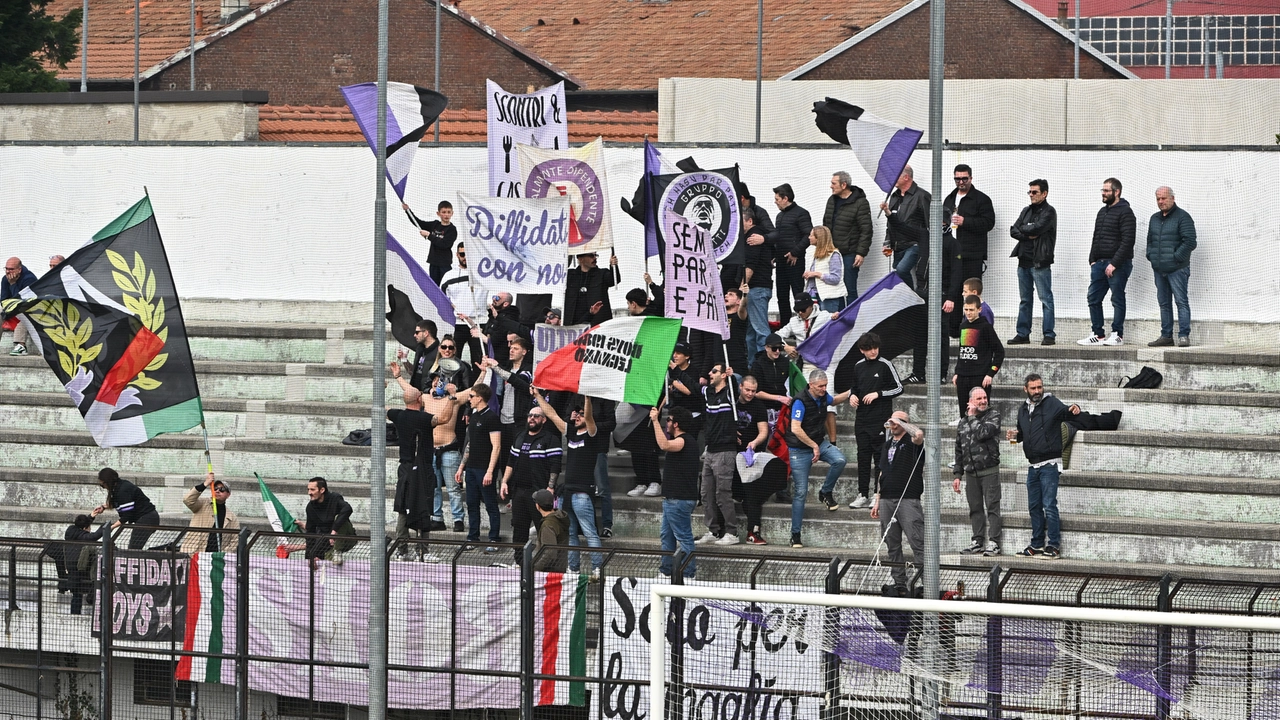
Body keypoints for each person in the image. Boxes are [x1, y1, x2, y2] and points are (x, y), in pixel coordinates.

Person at [1006, 374, 1080, 559]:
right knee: (1034, 506)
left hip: (1050, 464)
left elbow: (1066, 411)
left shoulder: (1052, 402)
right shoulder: (1023, 409)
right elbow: (1022, 434)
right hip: (1033, 465)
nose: (1038, 391)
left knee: (1049, 504)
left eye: (1039, 387)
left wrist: (1075, 408)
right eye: (1033, 388)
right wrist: (1014, 436)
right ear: (1026, 389)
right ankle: (1037, 544)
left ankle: (1053, 546)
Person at [536, 391, 606, 581]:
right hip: (567, 493)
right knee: (571, 533)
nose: (576, 416)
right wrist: (538, 396)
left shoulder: (592, 433)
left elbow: (589, 417)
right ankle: (573, 569)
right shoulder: (571, 432)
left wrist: (587, 398)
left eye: (580, 414)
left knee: (590, 533)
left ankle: (598, 569)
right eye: (576, 414)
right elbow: (551, 414)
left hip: (582, 493)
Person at [784, 370, 852, 547]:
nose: (824, 389)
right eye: (821, 386)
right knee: (801, 492)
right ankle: (795, 534)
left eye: (825, 385)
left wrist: (852, 391)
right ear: (811, 385)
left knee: (840, 460)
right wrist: (814, 446)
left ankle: (825, 492)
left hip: (817, 442)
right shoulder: (799, 401)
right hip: (799, 449)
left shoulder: (822, 396)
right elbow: (796, 428)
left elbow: (834, 400)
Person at [846, 332, 904, 510]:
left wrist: (878, 394)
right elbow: (854, 388)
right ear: (862, 350)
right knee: (862, 457)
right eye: (869, 349)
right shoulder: (858, 366)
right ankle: (862, 494)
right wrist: (852, 396)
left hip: (880, 419)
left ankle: (877, 494)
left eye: (875, 348)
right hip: (862, 419)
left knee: (880, 458)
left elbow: (899, 388)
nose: (873, 352)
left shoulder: (885, 365)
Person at [870, 411, 926, 593]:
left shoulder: (912, 443)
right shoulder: (886, 445)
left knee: (917, 541)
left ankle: (926, 580)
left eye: (896, 422)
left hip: (908, 498)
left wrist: (902, 422)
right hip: (887, 498)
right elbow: (881, 473)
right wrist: (878, 499)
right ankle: (899, 581)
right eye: (891, 421)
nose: (892, 424)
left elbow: (918, 435)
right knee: (891, 542)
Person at [1077, 177, 1136, 347]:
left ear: (1116, 192)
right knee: (1093, 297)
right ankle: (1098, 334)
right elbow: (1096, 237)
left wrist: (1114, 263)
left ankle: (1117, 334)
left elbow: (1128, 241)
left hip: (1118, 264)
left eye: (1106, 191)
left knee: (1117, 298)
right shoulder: (1102, 212)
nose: (1103, 194)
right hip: (1099, 263)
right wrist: (1092, 260)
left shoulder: (1126, 212)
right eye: (1102, 190)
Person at [501, 403, 561, 565]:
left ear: (543, 420)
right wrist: (504, 481)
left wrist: (550, 487)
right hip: (519, 492)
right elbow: (511, 462)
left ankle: (544, 564)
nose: (532, 418)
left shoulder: (551, 439)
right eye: (530, 415)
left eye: (536, 416)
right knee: (519, 530)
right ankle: (519, 562)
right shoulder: (520, 436)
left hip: (539, 492)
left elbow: (555, 465)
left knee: (544, 529)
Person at [952, 387, 1002, 556]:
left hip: (989, 471)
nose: (983, 401)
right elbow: (959, 450)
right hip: (970, 474)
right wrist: (957, 475)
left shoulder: (993, 416)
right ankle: (977, 541)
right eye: (979, 398)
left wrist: (972, 416)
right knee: (975, 508)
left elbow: (983, 433)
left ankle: (994, 542)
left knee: (992, 507)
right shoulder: (963, 422)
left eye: (984, 397)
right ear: (971, 401)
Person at [1146, 186, 1197, 347]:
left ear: (1172, 198)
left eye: (1164, 198)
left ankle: (1183, 335)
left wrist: (1175, 259)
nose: (1161, 202)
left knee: (1181, 301)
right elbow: (1150, 241)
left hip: (1177, 269)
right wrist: (1152, 257)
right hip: (1159, 269)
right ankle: (1166, 336)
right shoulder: (1154, 218)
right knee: (1164, 303)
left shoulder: (1183, 217)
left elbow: (1190, 242)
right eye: (1158, 199)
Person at [696, 362, 741, 546]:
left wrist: (733, 377)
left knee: (723, 493)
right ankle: (713, 531)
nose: (710, 373)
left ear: (723, 375)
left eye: (714, 371)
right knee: (706, 493)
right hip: (710, 450)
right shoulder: (708, 393)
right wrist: (674, 370)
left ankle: (732, 532)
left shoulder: (729, 391)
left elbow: (736, 391)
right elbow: (692, 388)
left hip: (725, 450)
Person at [1008, 179, 1058, 346]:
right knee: (1025, 300)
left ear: (1044, 193)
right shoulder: (1026, 210)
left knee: (1046, 299)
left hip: (1040, 262)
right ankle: (1023, 333)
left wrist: (1026, 228)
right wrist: (1027, 231)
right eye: (1029, 192)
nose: (1031, 195)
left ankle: (1049, 334)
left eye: (1034, 192)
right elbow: (1013, 230)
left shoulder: (1049, 212)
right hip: (1023, 261)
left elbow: (1038, 228)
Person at [455, 383, 504, 546]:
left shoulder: (492, 418)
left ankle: (494, 538)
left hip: (484, 468)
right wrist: (462, 467)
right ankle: (472, 536)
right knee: (471, 503)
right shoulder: (474, 416)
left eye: (471, 396)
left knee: (490, 503)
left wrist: (490, 471)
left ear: (480, 398)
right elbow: (469, 444)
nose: (469, 399)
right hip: (471, 468)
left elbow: (496, 446)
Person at [653, 406, 698, 579]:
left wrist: (655, 420)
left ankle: (688, 574)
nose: (667, 423)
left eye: (669, 420)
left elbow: (663, 444)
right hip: (673, 499)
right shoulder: (686, 441)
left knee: (684, 537)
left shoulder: (684, 440)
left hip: (678, 499)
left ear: (677, 424)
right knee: (667, 536)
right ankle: (665, 571)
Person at [732, 375, 774, 544]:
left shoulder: (758, 406)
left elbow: (764, 431)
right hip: (732, 455)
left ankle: (753, 531)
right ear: (740, 387)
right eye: (747, 390)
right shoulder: (732, 403)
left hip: (750, 457)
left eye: (753, 391)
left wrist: (754, 442)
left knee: (752, 495)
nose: (750, 394)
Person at [483, 337, 534, 476]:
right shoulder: (507, 369)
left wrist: (496, 367)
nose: (511, 350)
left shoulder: (528, 369)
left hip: (519, 422)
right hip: (503, 421)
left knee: (517, 460)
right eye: (510, 348)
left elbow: (519, 382)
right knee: (504, 459)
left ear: (524, 352)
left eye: (515, 348)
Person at [764, 183, 813, 326]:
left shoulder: (801, 213)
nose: (775, 202)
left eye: (777, 199)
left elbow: (808, 235)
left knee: (798, 293)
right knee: (781, 295)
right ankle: (785, 325)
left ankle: (803, 323)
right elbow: (777, 237)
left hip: (795, 262)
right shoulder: (779, 216)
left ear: (785, 198)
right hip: (781, 262)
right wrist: (774, 254)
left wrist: (795, 252)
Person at [942, 164, 996, 285]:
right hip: (950, 252)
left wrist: (965, 221)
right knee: (951, 291)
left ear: (971, 178)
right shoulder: (949, 199)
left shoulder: (982, 199)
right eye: (957, 179)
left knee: (970, 290)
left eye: (964, 179)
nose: (961, 182)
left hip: (971, 254)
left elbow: (989, 223)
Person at [823, 171, 872, 303]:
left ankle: (852, 321)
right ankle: (837, 321)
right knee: (834, 289)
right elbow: (825, 225)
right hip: (832, 253)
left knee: (850, 289)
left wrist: (861, 253)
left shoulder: (860, 203)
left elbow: (866, 230)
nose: (830, 186)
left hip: (849, 253)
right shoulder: (831, 200)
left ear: (844, 185)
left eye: (833, 183)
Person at [952, 295, 1005, 418]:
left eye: (971, 310)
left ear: (979, 310)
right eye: (966, 310)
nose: (968, 313)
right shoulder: (963, 326)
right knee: (964, 413)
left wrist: (990, 373)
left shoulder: (986, 327)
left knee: (981, 413)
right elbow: (963, 351)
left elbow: (999, 351)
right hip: (963, 376)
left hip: (980, 376)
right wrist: (957, 372)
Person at [880, 166, 931, 289]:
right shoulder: (894, 196)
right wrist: (887, 242)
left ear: (906, 177)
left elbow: (930, 223)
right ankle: (908, 301)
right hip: (897, 246)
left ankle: (913, 296)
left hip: (914, 244)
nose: (892, 179)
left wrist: (926, 246)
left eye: (896, 175)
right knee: (898, 274)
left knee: (901, 270)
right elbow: (891, 222)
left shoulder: (922, 196)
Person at [439, 243, 487, 364]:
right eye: (462, 254)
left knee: (479, 361)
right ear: (457, 255)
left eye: (469, 254)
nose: (465, 257)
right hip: (458, 324)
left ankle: (477, 383)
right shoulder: (449, 276)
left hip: (478, 323)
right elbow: (442, 300)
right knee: (454, 360)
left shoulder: (484, 273)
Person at [93, 468, 160, 550]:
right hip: (147, 518)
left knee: (133, 549)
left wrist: (112, 527)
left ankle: (165, 549)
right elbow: (119, 503)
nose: (103, 487)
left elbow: (127, 516)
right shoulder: (119, 487)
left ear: (108, 482)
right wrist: (103, 507)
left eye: (103, 485)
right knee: (134, 548)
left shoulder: (123, 490)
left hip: (147, 519)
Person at [295, 477, 356, 564]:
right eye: (308, 490)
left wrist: (334, 531)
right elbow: (310, 533)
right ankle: (330, 555)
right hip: (327, 542)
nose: (309, 493)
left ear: (322, 490)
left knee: (340, 517)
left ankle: (337, 551)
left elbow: (348, 509)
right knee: (323, 564)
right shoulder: (310, 507)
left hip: (346, 538)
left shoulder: (335, 498)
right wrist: (310, 557)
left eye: (312, 490)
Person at [741, 210, 774, 363]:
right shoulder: (757, 238)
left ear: (750, 221)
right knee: (751, 334)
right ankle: (754, 367)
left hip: (757, 288)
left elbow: (751, 264)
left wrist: (743, 284)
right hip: (759, 288)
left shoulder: (753, 237)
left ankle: (766, 364)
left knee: (760, 330)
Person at [180, 472, 240, 554]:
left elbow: (234, 541)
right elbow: (188, 500)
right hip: (194, 554)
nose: (218, 491)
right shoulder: (202, 504)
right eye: (215, 489)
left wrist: (222, 555)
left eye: (222, 489)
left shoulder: (232, 518)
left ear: (228, 494)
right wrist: (205, 484)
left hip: (215, 559)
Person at [402, 199, 457, 285]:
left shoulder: (452, 229)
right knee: (434, 286)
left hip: (445, 264)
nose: (446, 215)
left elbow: (445, 244)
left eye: (448, 212)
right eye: (443, 212)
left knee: (445, 286)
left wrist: (429, 235)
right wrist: (408, 211)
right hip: (433, 262)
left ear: (452, 213)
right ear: (438, 213)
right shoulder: (435, 225)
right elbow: (419, 223)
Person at [62, 514, 106, 614]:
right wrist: (105, 527)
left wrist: (91, 516)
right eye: (89, 527)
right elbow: (93, 536)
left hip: (71, 567)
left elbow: (82, 527)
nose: (90, 529)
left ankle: (75, 614)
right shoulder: (82, 536)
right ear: (85, 528)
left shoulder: (71, 531)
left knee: (76, 594)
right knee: (83, 590)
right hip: (80, 567)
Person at [564, 252, 619, 327]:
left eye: (595, 255)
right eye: (591, 256)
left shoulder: (602, 274)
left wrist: (613, 266)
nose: (595, 258)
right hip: (574, 324)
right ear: (581, 259)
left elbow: (614, 280)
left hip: (597, 324)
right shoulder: (570, 275)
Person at [803, 226, 846, 312]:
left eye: (811, 235)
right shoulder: (812, 254)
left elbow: (836, 278)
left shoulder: (833, 255)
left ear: (818, 238)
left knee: (827, 323)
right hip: (814, 295)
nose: (809, 237)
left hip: (828, 297)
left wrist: (817, 274)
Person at [777, 296, 831, 361]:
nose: (800, 313)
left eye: (803, 310)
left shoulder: (824, 316)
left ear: (811, 306)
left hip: (823, 361)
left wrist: (837, 316)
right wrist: (785, 347)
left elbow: (842, 318)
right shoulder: (793, 321)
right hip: (804, 362)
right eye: (797, 310)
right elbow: (777, 335)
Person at [3, 258, 38, 356]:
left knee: (24, 312)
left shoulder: (29, 279)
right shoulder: (5, 278)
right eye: (6, 269)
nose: (8, 271)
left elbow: (23, 300)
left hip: (29, 309)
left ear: (19, 269)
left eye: (11, 269)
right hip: (12, 309)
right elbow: (3, 299)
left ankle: (21, 345)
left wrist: (13, 284)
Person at [531, 489, 570, 573]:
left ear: (538, 506)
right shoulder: (559, 518)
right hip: (559, 568)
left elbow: (549, 553)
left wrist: (534, 569)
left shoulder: (548, 525)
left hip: (549, 573)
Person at [723, 289, 750, 374]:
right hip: (720, 360)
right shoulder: (720, 318)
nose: (726, 296)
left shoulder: (739, 316)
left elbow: (742, 307)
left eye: (730, 295)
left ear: (738, 301)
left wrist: (745, 295)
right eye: (726, 294)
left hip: (737, 361)